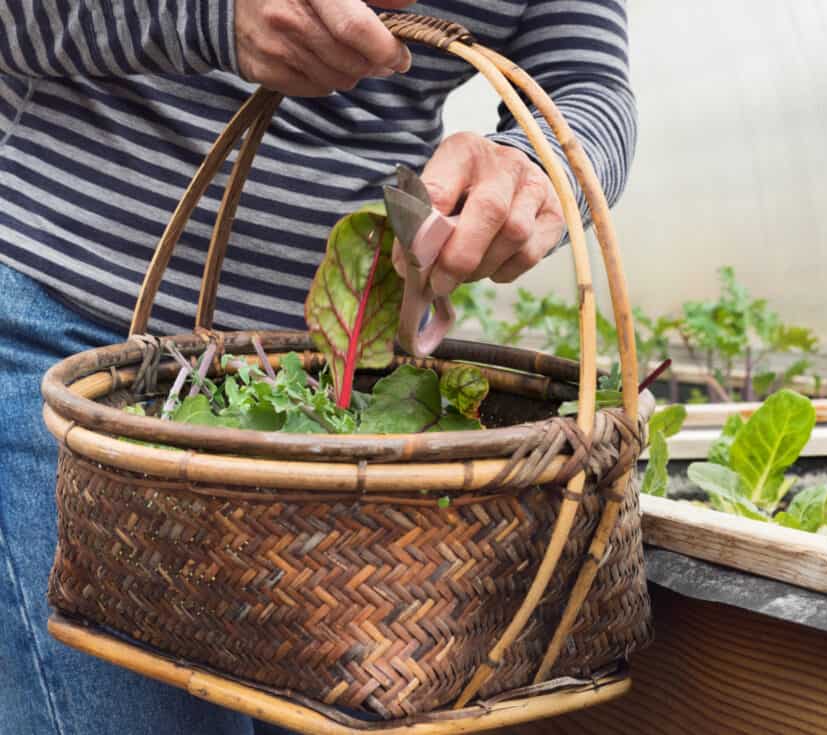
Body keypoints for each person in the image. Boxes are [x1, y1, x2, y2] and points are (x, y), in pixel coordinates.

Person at [0, 1, 636, 733]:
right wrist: (212, 18)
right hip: (77, 345)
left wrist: (533, 167)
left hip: (341, 417)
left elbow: (588, 85)